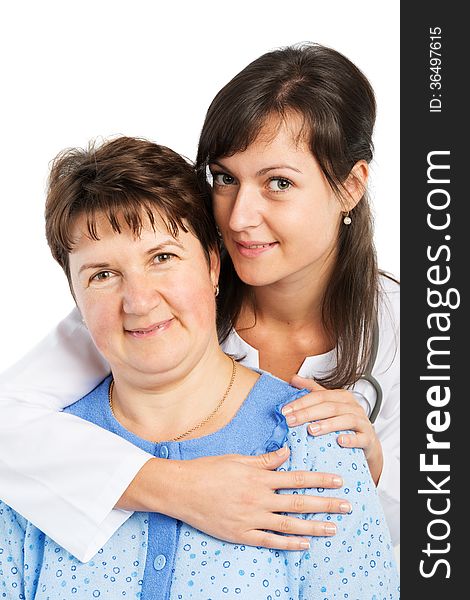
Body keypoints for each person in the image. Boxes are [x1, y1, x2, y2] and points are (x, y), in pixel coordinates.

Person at [0, 43, 399, 563]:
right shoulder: (158, 302)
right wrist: (172, 487)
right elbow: (9, 423)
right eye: (225, 179)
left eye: (278, 183)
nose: (238, 218)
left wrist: (373, 475)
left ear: (349, 187)